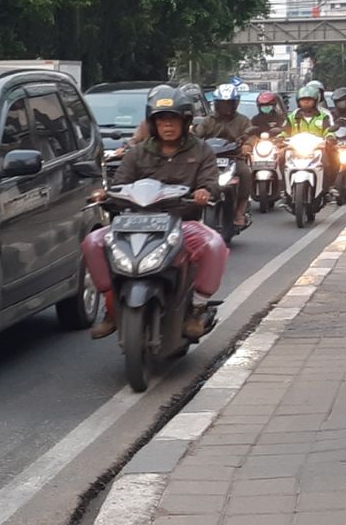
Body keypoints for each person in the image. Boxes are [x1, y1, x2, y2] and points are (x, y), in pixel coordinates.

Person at [83, 87, 228, 340]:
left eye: (173, 119)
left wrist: (205, 191)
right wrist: (105, 195)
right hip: (134, 223)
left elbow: (211, 182)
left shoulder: (201, 150)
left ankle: (197, 307)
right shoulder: (138, 152)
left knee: (214, 244)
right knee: (93, 242)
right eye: (161, 120)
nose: (167, 125)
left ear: (185, 121)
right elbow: (120, 182)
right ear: (152, 123)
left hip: (182, 222)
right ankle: (111, 308)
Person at [194, 82, 252, 226]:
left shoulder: (242, 120)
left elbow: (250, 134)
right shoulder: (208, 120)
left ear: (235, 104)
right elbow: (198, 135)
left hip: (233, 158)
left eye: (229, 103)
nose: (226, 106)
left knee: (245, 173)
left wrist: (248, 145)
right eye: (222, 103)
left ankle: (240, 211)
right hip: (211, 159)